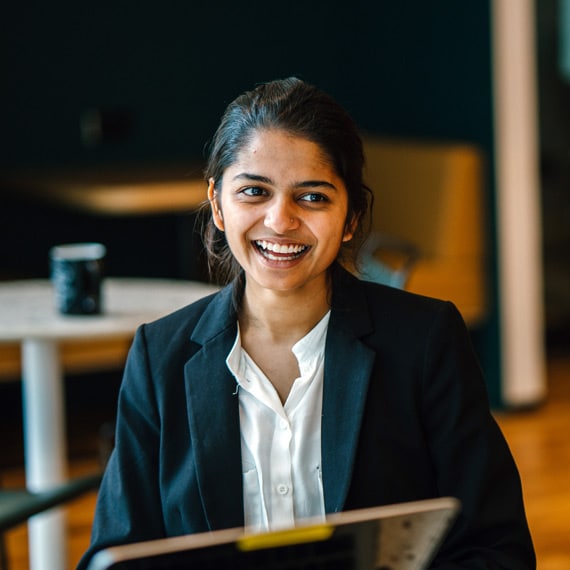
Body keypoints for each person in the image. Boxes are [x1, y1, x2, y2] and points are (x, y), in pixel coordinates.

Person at [78, 77, 535, 568]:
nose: (280, 221)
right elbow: (113, 554)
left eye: (313, 197)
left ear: (352, 216)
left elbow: (497, 550)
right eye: (254, 191)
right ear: (217, 203)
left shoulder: (426, 340)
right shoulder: (158, 355)